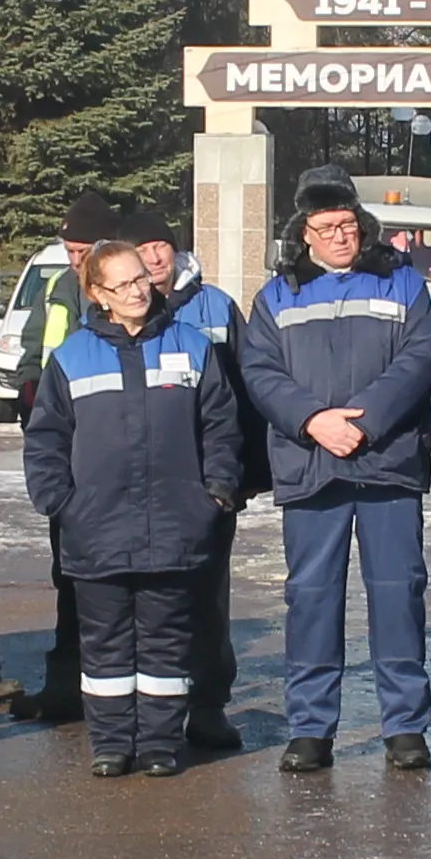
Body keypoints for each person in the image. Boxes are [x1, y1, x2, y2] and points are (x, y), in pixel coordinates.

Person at [234, 166, 431, 775]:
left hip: (388, 463)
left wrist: (368, 419)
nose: (340, 237)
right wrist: (314, 421)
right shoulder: (276, 297)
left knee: (398, 597)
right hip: (312, 465)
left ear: (362, 225)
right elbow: (260, 373)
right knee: (312, 599)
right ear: (304, 235)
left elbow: (420, 356)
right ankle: (311, 727)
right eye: (326, 228)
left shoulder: (404, 284)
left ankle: (404, 725)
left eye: (348, 224)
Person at [24, 236, 241, 776]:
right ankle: (112, 743)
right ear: (98, 293)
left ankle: (161, 744)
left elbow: (221, 427)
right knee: (105, 647)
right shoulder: (72, 356)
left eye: (140, 278)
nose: (136, 291)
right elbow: (45, 437)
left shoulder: (192, 345)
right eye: (122, 284)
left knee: (166, 643)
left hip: (176, 525)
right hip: (95, 528)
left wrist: (213, 495)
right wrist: (60, 502)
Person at [132, 206, 251, 751]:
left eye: (162, 245)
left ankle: (207, 706)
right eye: (142, 249)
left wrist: (234, 481)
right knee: (141, 601)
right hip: (133, 485)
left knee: (207, 600)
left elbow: (244, 396)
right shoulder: (118, 312)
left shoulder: (216, 307)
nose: (154, 257)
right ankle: (141, 711)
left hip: (205, 485)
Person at [18, 190, 122, 723]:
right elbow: (38, 351)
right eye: (70, 248)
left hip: (114, 451)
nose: (75, 258)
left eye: (84, 249)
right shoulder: (61, 288)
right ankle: (64, 687)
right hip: (67, 445)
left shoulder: (125, 295)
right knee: (69, 575)